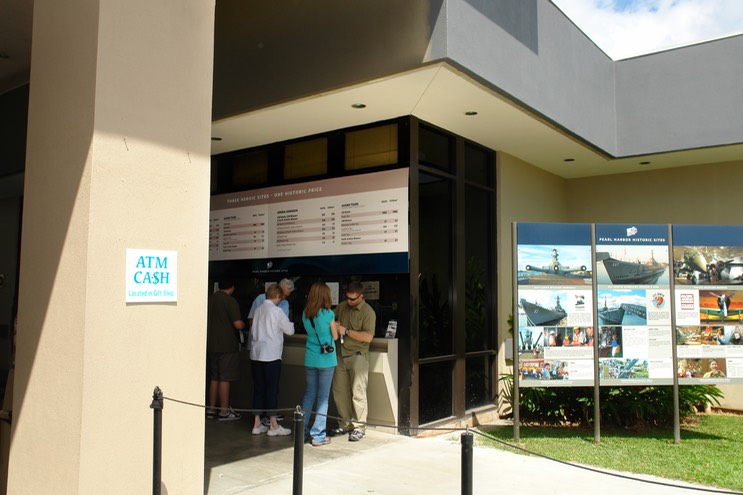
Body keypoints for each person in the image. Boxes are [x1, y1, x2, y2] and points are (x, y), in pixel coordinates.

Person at [331, 281, 376, 442]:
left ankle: (359, 427)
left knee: (358, 393)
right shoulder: (342, 306)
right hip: (340, 355)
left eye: (353, 299)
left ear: (361, 296)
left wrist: (347, 331)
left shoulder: (368, 312)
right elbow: (330, 318)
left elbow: (368, 337)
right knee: (340, 392)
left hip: (358, 356)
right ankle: (345, 424)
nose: (349, 301)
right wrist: (333, 324)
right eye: (348, 298)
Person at [249, 284, 295, 436]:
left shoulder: (258, 310)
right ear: (277, 297)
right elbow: (290, 330)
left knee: (258, 389)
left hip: (256, 354)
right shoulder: (277, 311)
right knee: (272, 389)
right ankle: (273, 425)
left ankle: (256, 423)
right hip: (272, 355)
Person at [300, 282, 339, 446]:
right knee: (323, 397)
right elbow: (335, 337)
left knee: (309, 394)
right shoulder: (329, 314)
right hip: (326, 360)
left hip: (310, 358)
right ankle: (318, 435)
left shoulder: (305, 313)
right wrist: (335, 327)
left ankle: (301, 432)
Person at [206, 279, 245, 421]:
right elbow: (238, 324)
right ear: (232, 287)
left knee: (214, 377)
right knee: (225, 378)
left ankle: (211, 409)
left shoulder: (210, 299)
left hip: (211, 344)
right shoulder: (229, 301)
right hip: (227, 345)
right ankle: (224, 411)